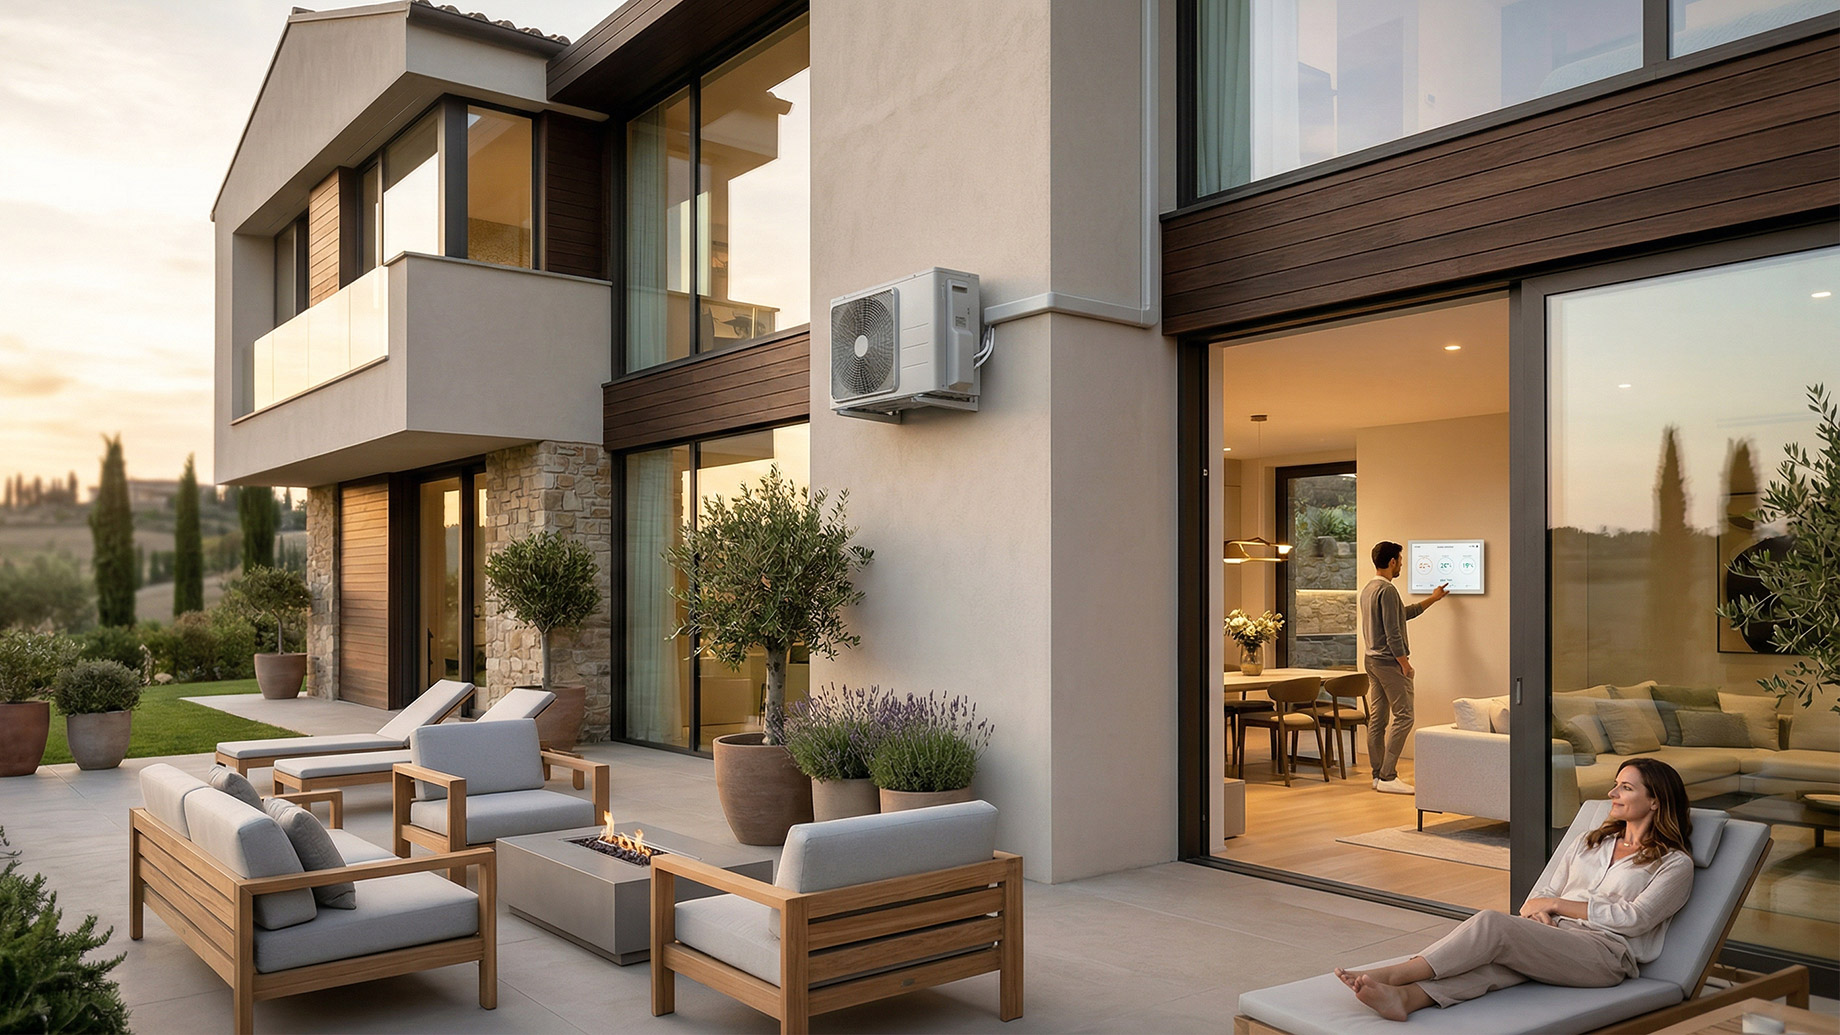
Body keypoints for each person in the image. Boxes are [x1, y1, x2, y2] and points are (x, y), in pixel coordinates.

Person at [1336, 758, 1696, 1021]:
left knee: (1494, 925)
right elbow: (1538, 895)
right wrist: (1541, 910)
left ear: (1655, 801)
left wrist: (1555, 904)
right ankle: (1408, 999)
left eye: (1626, 788)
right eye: (1616, 785)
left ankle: (1398, 973)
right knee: (1494, 962)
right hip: (1553, 935)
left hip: (1604, 956)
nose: (1612, 793)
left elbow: (1635, 918)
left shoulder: (1674, 864)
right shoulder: (1591, 842)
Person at [1360, 541, 1449, 794]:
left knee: (1378, 719)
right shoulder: (1387, 591)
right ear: (1391, 562)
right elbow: (1393, 632)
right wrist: (1404, 663)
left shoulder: (1369, 589)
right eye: (1400, 560)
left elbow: (1402, 615)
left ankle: (1378, 775)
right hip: (1389, 662)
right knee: (1405, 716)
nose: (1401, 565)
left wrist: (1433, 599)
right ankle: (1388, 776)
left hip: (1372, 661)